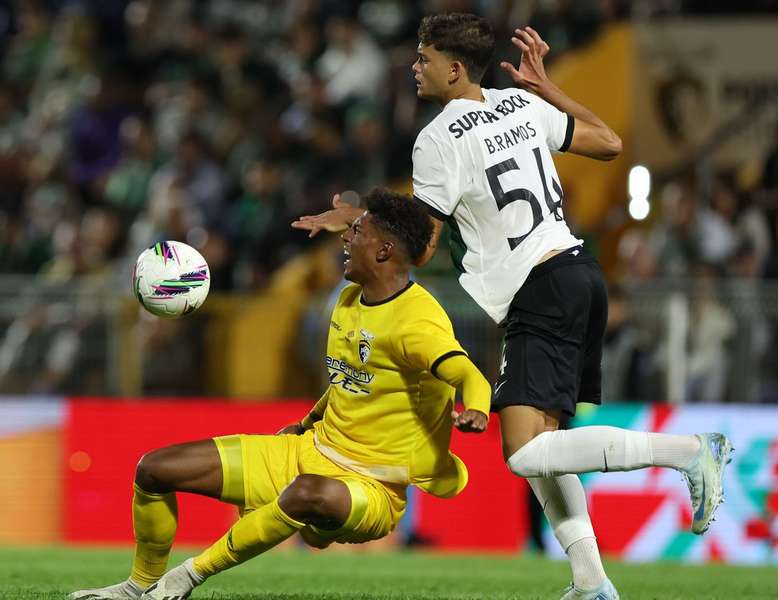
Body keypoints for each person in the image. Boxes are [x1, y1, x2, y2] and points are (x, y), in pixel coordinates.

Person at [293, 14, 733, 600]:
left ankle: (690, 453)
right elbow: (609, 142)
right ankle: (591, 581)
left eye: (424, 59)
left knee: (525, 451)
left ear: (454, 69)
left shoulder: (437, 138)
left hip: (538, 287)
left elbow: (420, 246)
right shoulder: (519, 107)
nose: (414, 67)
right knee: (545, 444)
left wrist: (360, 222)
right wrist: (548, 90)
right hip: (577, 272)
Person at [69, 189, 491, 600]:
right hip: (310, 451)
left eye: (357, 231)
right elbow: (348, 382)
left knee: (309, 492)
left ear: (383, 251)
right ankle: (138, 587)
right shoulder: (347, 298)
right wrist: (307, 423)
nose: (346, 238)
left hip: (371, 488)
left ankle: (186, 578)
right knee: (154, 469)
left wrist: (477, 410)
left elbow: (470, 375)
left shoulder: (417, 322)